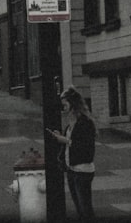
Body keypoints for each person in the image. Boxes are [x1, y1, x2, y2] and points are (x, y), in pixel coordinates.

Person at [48, 86, 96, 222]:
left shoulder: (85, 123)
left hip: (82, 170)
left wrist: (65, 140)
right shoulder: (71, 124)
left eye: (65, 104)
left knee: (85, 209)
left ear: (73, 103)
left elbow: (86, 148)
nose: (63, 107)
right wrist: (61, 137)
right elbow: (71, 143)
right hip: (71, 169)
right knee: (80, 209)